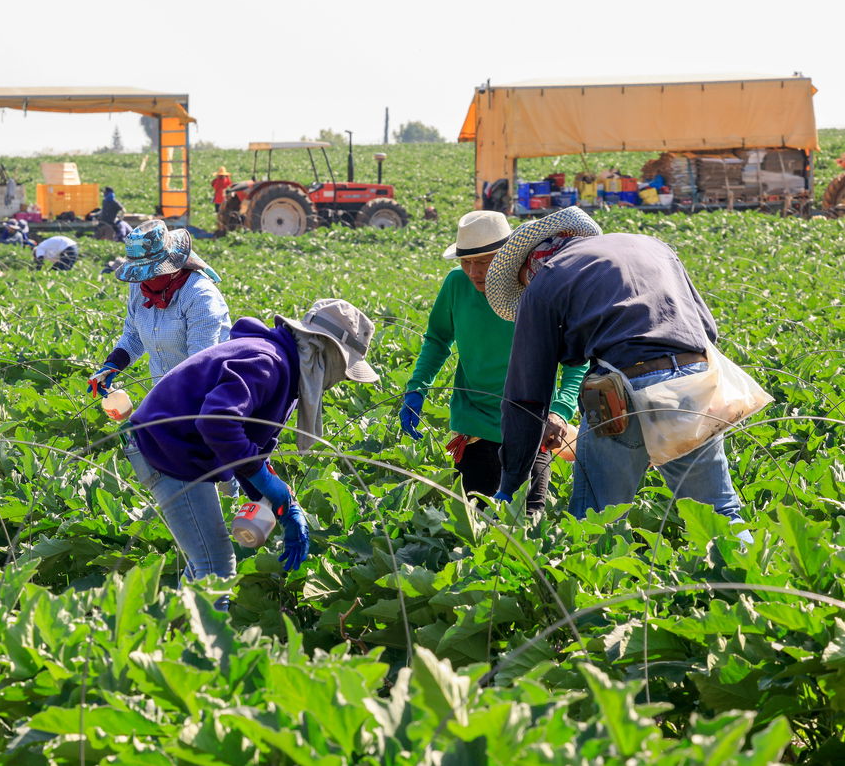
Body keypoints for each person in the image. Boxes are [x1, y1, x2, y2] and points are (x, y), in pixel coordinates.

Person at [484, 206, 747, 522]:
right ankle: (743, 571)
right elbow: (707, 329)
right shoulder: (652, 246)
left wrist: (512, 481)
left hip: (622, 393)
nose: (527, 289)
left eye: (524, 283)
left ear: (531, 265)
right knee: (719, 512)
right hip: (693, 383)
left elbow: (526, 397)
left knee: (598, 522)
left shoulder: (545, 281)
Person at [126, 299, 380, 598]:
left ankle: (175, 630)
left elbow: (250, 446)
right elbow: (217, 423)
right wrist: (264, 480)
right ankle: (199, 641)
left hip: (178, 451)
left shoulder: (286, 368)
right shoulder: (268, 362)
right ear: (324, 352)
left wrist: (281, 503)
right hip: (166, 450)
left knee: (204, 560)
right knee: (216, 566)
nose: (337, 380)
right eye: (343, 370)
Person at [399, 211, 587, 507]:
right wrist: (416, 387)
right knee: (478, 520)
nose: (473, 272)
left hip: (534, 425)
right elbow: (437, 339)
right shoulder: (456, 285)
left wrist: (561, 410)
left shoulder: (536, 289)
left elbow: (577, 361)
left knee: (527, 521)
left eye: (484, 262)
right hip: (474, 427)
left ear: (508, 258)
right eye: (466, 262)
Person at [88, 220, 231, 394]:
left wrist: (162, 408)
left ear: (172, 266)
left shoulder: (200, 296)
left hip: (207, 393)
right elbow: (133, 334)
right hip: (164, 392)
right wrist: (113, 364)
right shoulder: (140, 287)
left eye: (151, 273)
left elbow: (199, 365)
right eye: (141, 274)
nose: (144, 279)